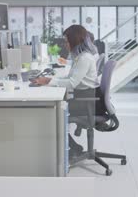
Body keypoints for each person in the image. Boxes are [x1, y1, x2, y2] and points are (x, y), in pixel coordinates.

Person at [32, 25, 99, 157]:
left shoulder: (84, 58)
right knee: (52, 110)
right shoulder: (80, 57)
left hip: (87, 101)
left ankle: (72, 149)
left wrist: (49, 81)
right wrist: (50, 79)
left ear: (75, 41)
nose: (66, 44)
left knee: (52, 112)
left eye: (67, 41)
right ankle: (74, 148)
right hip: (83, 97)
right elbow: (70, 77)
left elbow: (72, 83)